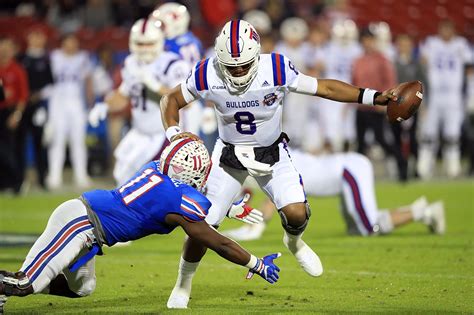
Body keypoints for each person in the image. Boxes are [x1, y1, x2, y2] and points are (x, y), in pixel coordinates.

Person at [160, 19, 402, 309]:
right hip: (228, 155)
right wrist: (174, 134)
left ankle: (293, 242)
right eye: (231, 66)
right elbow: (170, 100)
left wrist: (374, 97)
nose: (237, 71)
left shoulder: (275, 68)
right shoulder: (206, 73)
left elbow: (324, 88)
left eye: (244, 65)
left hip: (271, 151)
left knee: (297, 213)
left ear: (257, 55)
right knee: (202, 225)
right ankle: (183, 284)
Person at [0, 139, 280, 313]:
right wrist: (256, 264)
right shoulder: (176, 198)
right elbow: (216, 241)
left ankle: (12, 289)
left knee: (82, 288)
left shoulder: (158, 166)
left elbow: (178, 195)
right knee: (26, 284)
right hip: (80, 223)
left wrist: (228, 207)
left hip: (89, 231)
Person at [223, 150, 446, 241]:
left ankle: (423, 211)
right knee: (356, 230)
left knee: (368, 228)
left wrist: (255, 226)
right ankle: (422, 212)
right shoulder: (279, 153)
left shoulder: (278, 161)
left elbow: (272, 202)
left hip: (349, 170)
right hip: (345, 171)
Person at [88, 18, 189, 186]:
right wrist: (105, 105)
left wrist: (155, 85)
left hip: (164, 135)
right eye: (140, 44)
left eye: (149, 44)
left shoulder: (173, 64)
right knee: (122, 178)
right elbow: (123, 95)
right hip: (138, 133)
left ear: (159, 42)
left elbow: (187, 101)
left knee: (160, 186)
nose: (144, 49)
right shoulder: (131, 63)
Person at [417, 20, 473, 178]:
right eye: (443, 29)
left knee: (452, 133)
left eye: (449, 29)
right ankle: (425, 166)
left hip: (453, 95)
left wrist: (470, 94)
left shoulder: (461, 45)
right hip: (434, 94)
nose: (446, 32)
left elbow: (469, 70)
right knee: (429, 132)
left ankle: (452, 167)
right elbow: (422, 63)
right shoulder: (431, 43)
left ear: (453, 30)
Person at [352, 28, 407, 181]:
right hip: (361, 106)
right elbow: (354, 83)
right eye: (364, 40)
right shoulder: (358, 60)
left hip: (375, 106)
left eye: (369, 40)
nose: (367, 43)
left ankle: (402, 163)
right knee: (360, 143)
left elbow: (390, 82)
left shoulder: (382, 59)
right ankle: (357, 176)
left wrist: (385, 102)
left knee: (381, 140)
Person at [47, 33, 94, 190]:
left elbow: (88, 81)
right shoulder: (54, 57)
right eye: (68, 42)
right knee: (57, 139)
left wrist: (90, 104)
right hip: (58, 101)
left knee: (78, 140)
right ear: (62, 43)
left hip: (76, 102)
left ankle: (81, 175)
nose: (71, 45)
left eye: (74, 42)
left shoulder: (83, 57)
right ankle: (54, 176)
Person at [151, 2, 204, 139]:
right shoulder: (193, 40)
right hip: (193, 98)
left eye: (162, 25)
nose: (159, 29)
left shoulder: (170, 46)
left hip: (182, 102)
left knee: (182, 148)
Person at [316, 19, 362, 152]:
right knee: (330, 122)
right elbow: (318, 67)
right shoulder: (327, 48)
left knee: (348, 125)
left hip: (350, 89)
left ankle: (346, 150)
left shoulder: (357, 50)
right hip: (331, 88)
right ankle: (333, 149)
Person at [19, 27, 54, 190]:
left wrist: (39, 95)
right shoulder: (21, 58)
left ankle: (42, 178)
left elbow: (52, 83)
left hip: (39, 106)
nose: (36, 40)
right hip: (22, 106)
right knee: (19, 142)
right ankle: (20, 179)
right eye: (33, 36)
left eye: (39, 36)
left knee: (40, 143)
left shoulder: (46, 59)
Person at [392, 34, 426, 178]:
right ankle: (401, 168)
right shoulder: (393, 63)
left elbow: (423, 83)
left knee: (412, 138)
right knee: (397, 137)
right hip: (394, 105)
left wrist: (423, 104)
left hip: (412, 106)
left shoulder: (416, 64)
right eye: (401, 44)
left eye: (406, 44)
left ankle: (416, 167)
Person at [0, 37, 29, 193]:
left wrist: (16, 115)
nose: (4, 50)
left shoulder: (17, 69)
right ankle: (5, 183)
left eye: (7, 47)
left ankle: (17, 182)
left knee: (11, 149)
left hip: (11, 112)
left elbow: (23, 95)